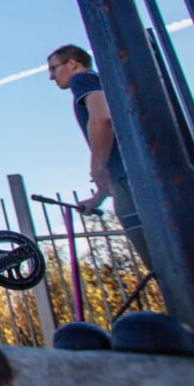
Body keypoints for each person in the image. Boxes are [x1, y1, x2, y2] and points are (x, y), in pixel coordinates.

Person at [47, 44, 153, 270]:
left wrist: (97, 166)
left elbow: (102, 118)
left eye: (53, 69)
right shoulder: (102, 82)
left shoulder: (82, 79)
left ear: (72, 63)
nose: (50, 77)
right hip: (129, 178)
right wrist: (98, 198)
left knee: (162, 263)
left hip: (128, 182)